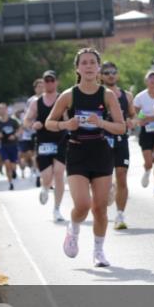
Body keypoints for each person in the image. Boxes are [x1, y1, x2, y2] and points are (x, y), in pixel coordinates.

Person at [45, 48, 126, 267]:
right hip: (77, 151)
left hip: (100, 152)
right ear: (78, 68)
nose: (89, 66)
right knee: (82, 205)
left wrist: (101, 123)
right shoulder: (69, 95)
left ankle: (98, 252)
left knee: (100, 207)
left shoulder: (107, 95)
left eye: (93, 62)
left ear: (98, 67)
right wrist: (65, 125)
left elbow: (121, 127)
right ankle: (73, 229)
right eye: (84, 63)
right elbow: (49, 123)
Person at [23, 70, 68, 222]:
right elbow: (26, 121)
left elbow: (69, 118)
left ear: (56, 82)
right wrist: (32, 124)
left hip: (61, 140)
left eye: (51, 80)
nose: (49, 83)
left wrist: (65, 126)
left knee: (59, 173)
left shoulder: (63, 99)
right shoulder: (37, 102)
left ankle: (57, 209)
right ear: (43, 83)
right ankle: (45, 188)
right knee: (47, 177)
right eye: (46, 81)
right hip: (43, 142)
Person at [100, 61, 134, 230]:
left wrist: (132, 121)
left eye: (113, 72)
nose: (111, 75)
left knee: (121, 175)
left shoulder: (126, 96)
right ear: (101, 76)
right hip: (101, 141)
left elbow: (136, 115)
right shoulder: (97, 94)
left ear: (117, 74)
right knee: (104, 182)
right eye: (106, 72)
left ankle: (120, 215)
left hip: (121, 140)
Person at [0, 103, 21, 191]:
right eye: (0, 109)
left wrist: (15, 136)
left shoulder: (13, 121)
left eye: (3, 109)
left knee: (13, 166)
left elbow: (20, 130)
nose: (1, 111)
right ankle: (10, 183)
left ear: (6, 110)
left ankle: (14, 171)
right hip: (4, 146)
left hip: (13, 146)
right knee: (7, 164)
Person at [16, 109, 36, 178]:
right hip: (24, 140)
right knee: (24, 157)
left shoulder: (33, 117)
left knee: (32, 156)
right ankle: (23, 171)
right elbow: (19, 132)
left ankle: (33, 170)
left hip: (32, 139)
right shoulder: (20, 121)